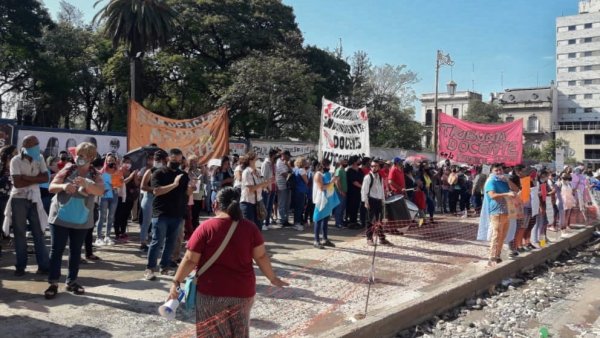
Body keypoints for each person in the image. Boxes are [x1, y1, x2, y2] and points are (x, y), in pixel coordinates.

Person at [168, 187, 287, 337]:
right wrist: (273, 278)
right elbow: (261, 256)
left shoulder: (205, 228)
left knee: (212, 334)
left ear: (215, 204)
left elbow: (190, 259)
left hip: (211, 291)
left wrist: (176, 282)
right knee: (239, 333)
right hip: (243, 291)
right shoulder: (250, 228)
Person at [43, 142, 105, 299]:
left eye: (83, 155)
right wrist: (63, 187)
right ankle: (53, 282)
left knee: (76, 251)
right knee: (56, 250)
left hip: (82, 218)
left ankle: (71, 282)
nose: (78, 158)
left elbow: (100, 191)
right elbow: (51, 187)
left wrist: (87, 184)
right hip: (60, 216)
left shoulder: (95, 174)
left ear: (91, 157)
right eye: (77, 154)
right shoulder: (68, 168)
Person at [5, 136, 50, 276]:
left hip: (35, 198)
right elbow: (17, 183)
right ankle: (20, 266)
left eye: (37, 144)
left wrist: (27, 178)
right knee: (20, 234)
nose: (37, 147)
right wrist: (36, 180)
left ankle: (43, 266)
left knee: (39, 233)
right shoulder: (15, 160)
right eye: (33, 145)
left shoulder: (40, 158)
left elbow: (46, 178)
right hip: (19, 198)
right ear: (25, 146)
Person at [144, 148, 189, 280]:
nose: (176, 162)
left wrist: (191, 189)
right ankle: (150, 268)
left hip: (177, 213)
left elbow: (185, 193)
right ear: (169, 158)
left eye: (179, 160)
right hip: (161, 212)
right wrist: (174, 184)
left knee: (171, 242)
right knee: (157, 241)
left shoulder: (183, 175)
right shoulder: (159, 172)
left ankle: (165, 267)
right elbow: (157, 191)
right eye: (174, 159)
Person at [484, 163, 517, 267]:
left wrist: (507, 180)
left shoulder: (504, 181)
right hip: (497, 211)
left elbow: (516, 190)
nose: (499, 172)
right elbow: (492, 195)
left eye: (500, 170)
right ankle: (491, 257)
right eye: (496, 170)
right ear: (492, 172)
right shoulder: (491, 181)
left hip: (507, 211)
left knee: (503, 235)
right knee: (496, 234)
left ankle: (498, 255)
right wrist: (507, 194)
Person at [139, 150, 167, 251]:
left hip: (161, 199)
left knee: (159, 222)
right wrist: (154, 190)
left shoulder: (165, 171)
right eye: (155, 159)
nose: (157, 161)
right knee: (146, 222)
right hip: (149, 198)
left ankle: (157, 243)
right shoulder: (149, 171)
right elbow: (142, 186)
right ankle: (143, 243)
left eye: (159, 159)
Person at [362, 160, 392, 246]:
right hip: (371, 200)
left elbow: (381, 189)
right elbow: (364, 191)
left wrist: (383, 200)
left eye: (375, 166)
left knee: (380, 220)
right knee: (370, 220)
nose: (373, 167)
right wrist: (365, 201)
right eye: (372, 166)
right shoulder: (367, 177)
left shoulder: (380, 177)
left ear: (378, 167)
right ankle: (369, 238)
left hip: (379, 200)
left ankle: (382, 238)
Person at [240, 153, 272, 230]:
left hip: (258, 202)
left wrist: (268, 183)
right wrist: (263, 184)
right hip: (248, 203)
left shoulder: (258, 171)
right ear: (250, 161)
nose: (258, 161)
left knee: (258, 227)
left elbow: (262, 186)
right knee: (248, 228)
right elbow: (250, 189)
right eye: (256, 159)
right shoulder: (247, 172)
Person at [95, 153, 122, 245]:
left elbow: (120, 184)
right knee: (102, 216)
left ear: (115, 162)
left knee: (111, 217)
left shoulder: (117, 172)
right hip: (104, 195)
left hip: (114, 195)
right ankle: (98, 237)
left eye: (112, 161)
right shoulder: (101, 172)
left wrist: (115, 184)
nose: (111, 162)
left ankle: (107, 236)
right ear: (106, 161)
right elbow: (97, 183)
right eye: (109, 160)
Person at [312, 158, 338, 249]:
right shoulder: (318, 175)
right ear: (323, 165)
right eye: (328, 165)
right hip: (320, 200)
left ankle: (325, 239)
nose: (329, 167)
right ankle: (316, 240)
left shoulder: (326, 174)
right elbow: (322, 187)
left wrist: (333, 179)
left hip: (327, 199)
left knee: (325, 219)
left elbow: (329, 185)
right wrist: (332, 181)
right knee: (318, 219)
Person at [113, 156, 139, 242]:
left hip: (130, 197)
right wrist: (130, 177)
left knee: (125, 216)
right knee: (118, 215)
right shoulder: (118, 172)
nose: (128, 164)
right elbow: (120, 183)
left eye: (129, 162)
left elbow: (136, 184)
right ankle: (117, 233)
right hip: (119, 196)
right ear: (122, 163)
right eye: (126, 162)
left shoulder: (132, 172)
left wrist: (135, 176)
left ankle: (123, 232)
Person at [0, 145, 17, 257]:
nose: (18, 155)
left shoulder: (13, 169)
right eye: (15, 153)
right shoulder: (1, 168)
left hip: (8, 202)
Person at [260, 148, 279, 231]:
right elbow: (263, 177)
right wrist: (266, 187)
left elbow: (275, 176)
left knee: (270, 206)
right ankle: (263, 223)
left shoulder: (273, 164)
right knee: (265, 206)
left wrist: (276, 185)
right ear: (272, 155)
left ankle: (267, 222)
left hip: (273, 187)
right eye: (276, 156)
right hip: (267, 188)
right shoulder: (266, 163)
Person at [346, 156, 364, 228]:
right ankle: (352, 222)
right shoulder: (349, 170)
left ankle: (355, 221)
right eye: (358, 160)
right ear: (354, 162)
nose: (359, 161)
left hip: (359, 192)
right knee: (352, 206)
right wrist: (363, 187)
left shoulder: (360, 170)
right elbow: (354, 181)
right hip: (352, 192)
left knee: (357, 207)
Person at [276, 150, 292, 226]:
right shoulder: (279, 163)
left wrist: (288, 166)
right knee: (282, 204)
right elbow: (285, 175)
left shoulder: (286, 163)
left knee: (287, 204)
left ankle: (286, 220)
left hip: (287, 186)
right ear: (284, 155)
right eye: (288, 156)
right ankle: (282, 220)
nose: (289, 158)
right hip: (281, 186)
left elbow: (292, 171)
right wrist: (290, 174)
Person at [292, 157, 309, 231]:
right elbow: (306, 181)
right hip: (301, 191)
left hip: (296, 190)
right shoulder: (302, 170)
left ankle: (296, 222)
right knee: (300, 207)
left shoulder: (295, 169)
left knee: (296, 208)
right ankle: (297, 223)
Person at [334, 158, 348, 228]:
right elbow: (337, 181)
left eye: (346, 162)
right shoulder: (339, 170)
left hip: (344, 192)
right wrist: (341, 191)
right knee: (339, 208)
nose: (346, 163)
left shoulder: (344, 170)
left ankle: (341, 222)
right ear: (340, 162)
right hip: (339, 192)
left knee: (342, 208)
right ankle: (338, 223)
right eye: (344, 162)